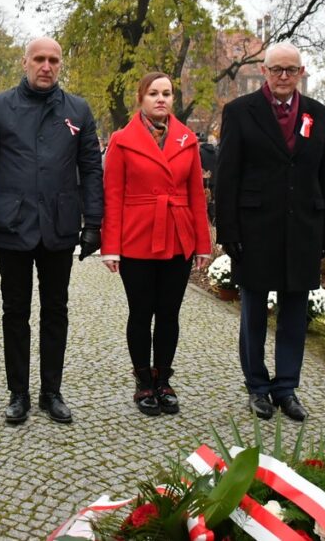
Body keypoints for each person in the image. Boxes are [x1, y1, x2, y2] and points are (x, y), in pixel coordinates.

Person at [0, 36, 103, 425]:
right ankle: (19, 392)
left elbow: (91, 168)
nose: (46, 66)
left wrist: (94, 223)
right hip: (12, 224)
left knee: (56, 310)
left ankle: (51, 391)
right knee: (15, 311)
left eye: (53, 60)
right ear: (25, 62)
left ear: (60, 65)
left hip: (59, 225)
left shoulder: (78, 109)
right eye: (39, 59)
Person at [214, 42, 325, 422]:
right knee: (253, 312)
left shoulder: (317, 113)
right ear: (264, 71)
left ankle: (286, 387)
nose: (283, 76)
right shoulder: (240, 112)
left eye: (291, 69)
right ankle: (257, 386)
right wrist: (228, 229)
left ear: (301, 72)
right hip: (255, 228)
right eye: (276, 69)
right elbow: (227, 176)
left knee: (295, 313)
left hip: (302, 227)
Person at [100, 72, 211, 416]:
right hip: (137, 238)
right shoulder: (122, 140)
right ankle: (143, 381)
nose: (161, 99)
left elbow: (196, 194)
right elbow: (112, 195)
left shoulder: (187, 139)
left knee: (169, 313)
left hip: (178, 236)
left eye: (166, 93)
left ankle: (163, 379)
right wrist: (110, 246)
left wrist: (203, 243)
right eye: (153, 93)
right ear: (141, 98)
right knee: (140, 312)